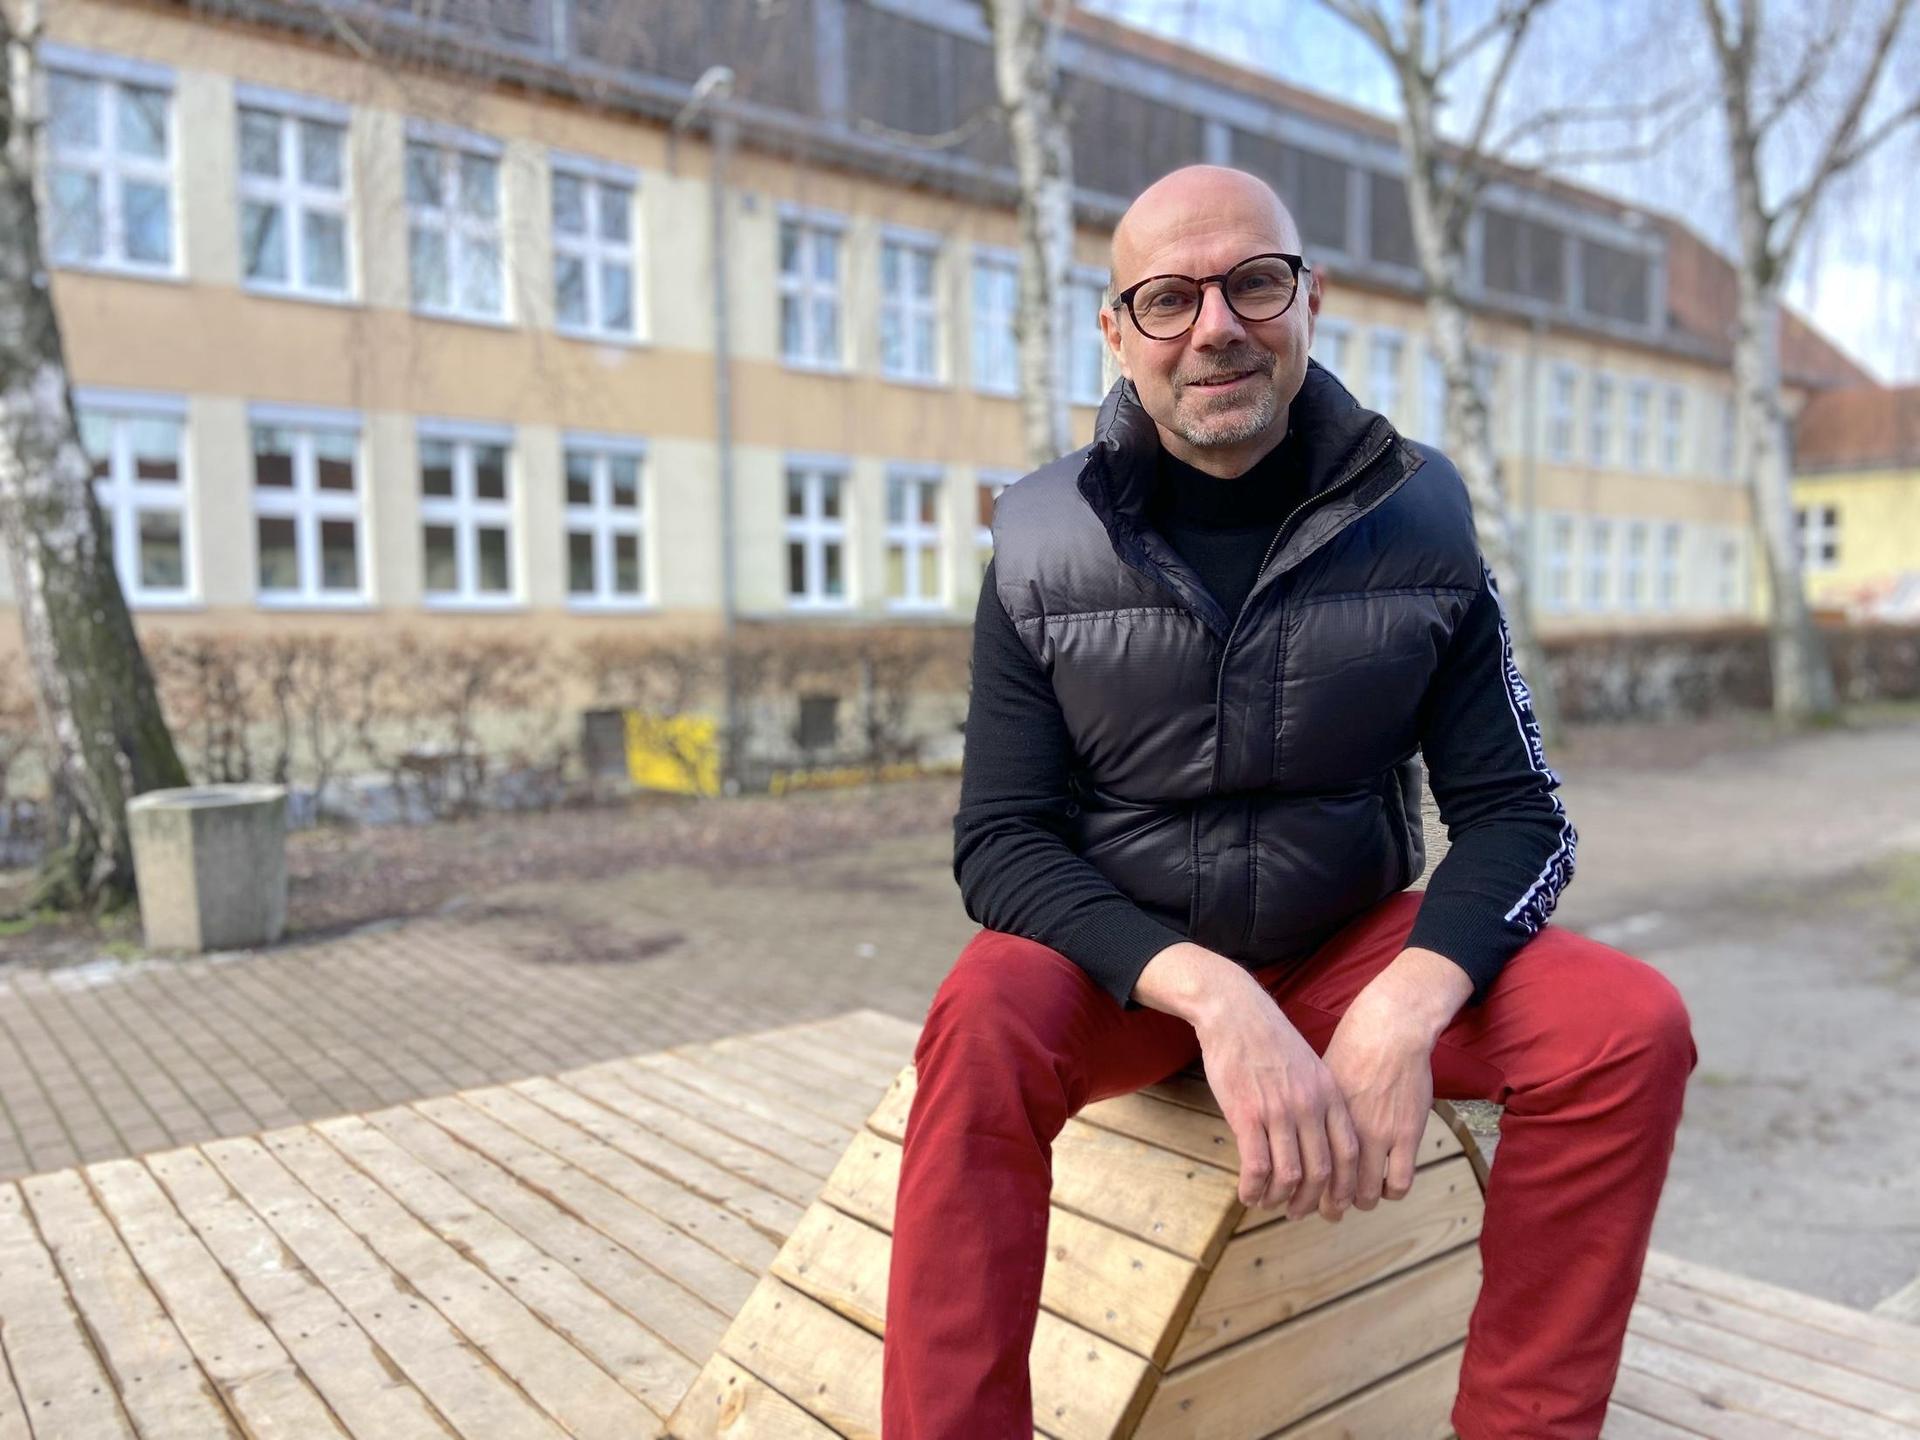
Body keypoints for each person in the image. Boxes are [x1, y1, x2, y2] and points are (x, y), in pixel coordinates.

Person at [881, 166, 1698, 1440]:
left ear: (1311, 298)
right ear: (1117, 332)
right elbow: (1001, 845)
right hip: (1128, 968)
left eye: (1253, 282)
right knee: (980, 1014)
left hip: (1344, 942)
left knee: (1627, 1030)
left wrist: (1404, 1007)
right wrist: (1205, 989)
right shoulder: (1040, 542)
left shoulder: (1420, 518)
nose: (1215, 326)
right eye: (1167, 298)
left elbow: (1521, 818)